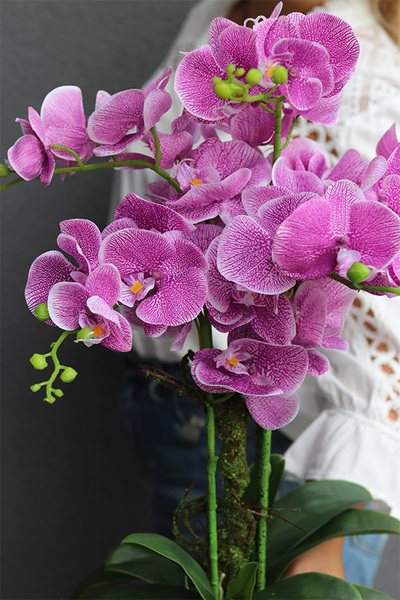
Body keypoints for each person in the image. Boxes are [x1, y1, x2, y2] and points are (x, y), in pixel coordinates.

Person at [111, 0, 400, 587]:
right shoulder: (224, 20)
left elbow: (376, 321)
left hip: (295, 445)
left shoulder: (361, 65)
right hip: (180, 400)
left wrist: (339, 517)